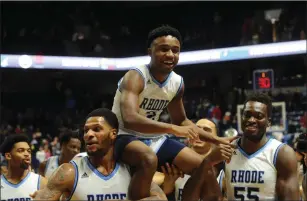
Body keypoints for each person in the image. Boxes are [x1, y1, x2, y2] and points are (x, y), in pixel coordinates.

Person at [111, 25, 237, 199]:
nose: (170, 55)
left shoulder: (177, 83)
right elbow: (129, 119)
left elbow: (182, 121)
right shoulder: (136, 76)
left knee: (204, 168)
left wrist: (217, 139)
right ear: (150, 52)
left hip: (154, 138)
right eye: (163, 49)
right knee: (148, 159)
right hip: (123, 136)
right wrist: (173, 129)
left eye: (175, 50)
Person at [31, 108, 167, 201]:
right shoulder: (69, 172)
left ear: (113, 134)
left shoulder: (130, 170)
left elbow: (160, 198)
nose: (89, 135)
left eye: (97, 129)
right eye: (86, 131)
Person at [153, 118, 220, 201]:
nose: (199, 133)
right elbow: (152, 185)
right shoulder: (174, 159)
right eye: (197, 129)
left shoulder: (223, 165)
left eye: (206, 130)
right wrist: (167, 186)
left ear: (215, 137)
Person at [0, 134, 47, 201]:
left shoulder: (41, 182)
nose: (27, 154)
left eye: (29, 151)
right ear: (8, 156)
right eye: (21, 150)